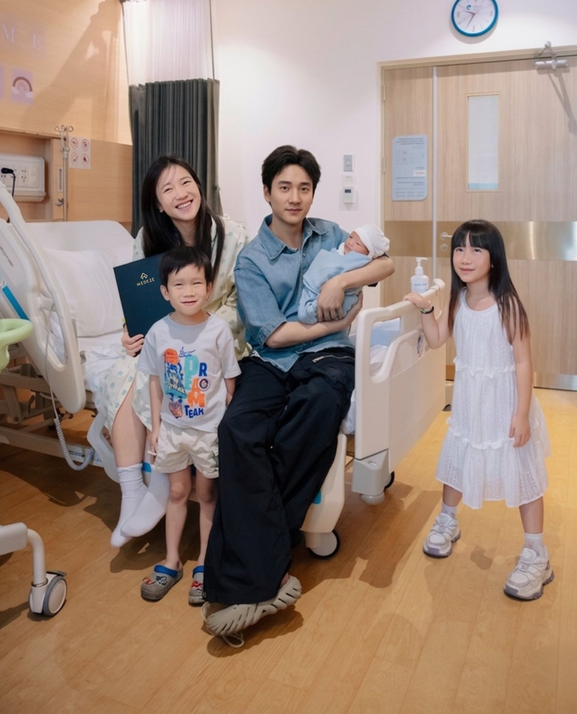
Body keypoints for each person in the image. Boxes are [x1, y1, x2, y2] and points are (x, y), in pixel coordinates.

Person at [202, 145, 394, 639]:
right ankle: (269, 568)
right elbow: (272, 336)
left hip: (328, 357)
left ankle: (248, 579)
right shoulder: (252, 259)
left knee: (318, 404)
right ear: (267, 192)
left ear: (313, 193)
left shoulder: (329, 233)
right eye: (284, 187)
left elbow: (385, 265)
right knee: (238, 429)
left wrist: (341, 282)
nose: (295, 197)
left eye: (304, 188)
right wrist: (336, 323)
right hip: (274, 358)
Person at [86, 155, 250, 548]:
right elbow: (136, 303)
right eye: (168, 189)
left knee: (176, 370)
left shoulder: (232, 236)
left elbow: (242, 302)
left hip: (217, 336)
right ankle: (132, 492)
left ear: (199, 186)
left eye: (186, 182)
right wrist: (129, 334)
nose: (181, 193)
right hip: (163, 337)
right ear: (158, 203)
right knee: (127, 373)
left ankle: (160, 484)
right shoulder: (147, 240)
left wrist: (195, 327)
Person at [405, 219, 552, 601]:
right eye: (459, 249)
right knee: (458, 458)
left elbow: (524, 362)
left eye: (475, 249)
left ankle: (536, 553)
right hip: (471, 404)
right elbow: (436, 340)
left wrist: (521, 414)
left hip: (505, 404)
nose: (465, 258)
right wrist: (425, 309)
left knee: (523, 475)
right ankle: (448, 521)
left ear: (494, 258)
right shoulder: (458, 300)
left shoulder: (508, 306)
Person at [136, 246, 240, 604]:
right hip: (172, 430)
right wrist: (155, 428)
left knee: (207, 495)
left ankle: (204, 563)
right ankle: (171, 561)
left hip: (208, 432)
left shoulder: (218, 330)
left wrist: (223, 422)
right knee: (178, 492)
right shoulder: (158, 331)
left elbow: (230, 380)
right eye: (179, 284)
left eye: (197, 283)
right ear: (165, 291)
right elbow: (154, 381)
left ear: (209, 288)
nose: (189, 291)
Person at [297, 224, 390, 324]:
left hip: (335, 305)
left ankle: (312, 311)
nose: (350, 242)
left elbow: (387, 265)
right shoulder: (339, 251)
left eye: (358, 244)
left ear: (369, 253)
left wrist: (339, 282)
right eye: (350, 237)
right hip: (310, 295)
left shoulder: (332, 232)